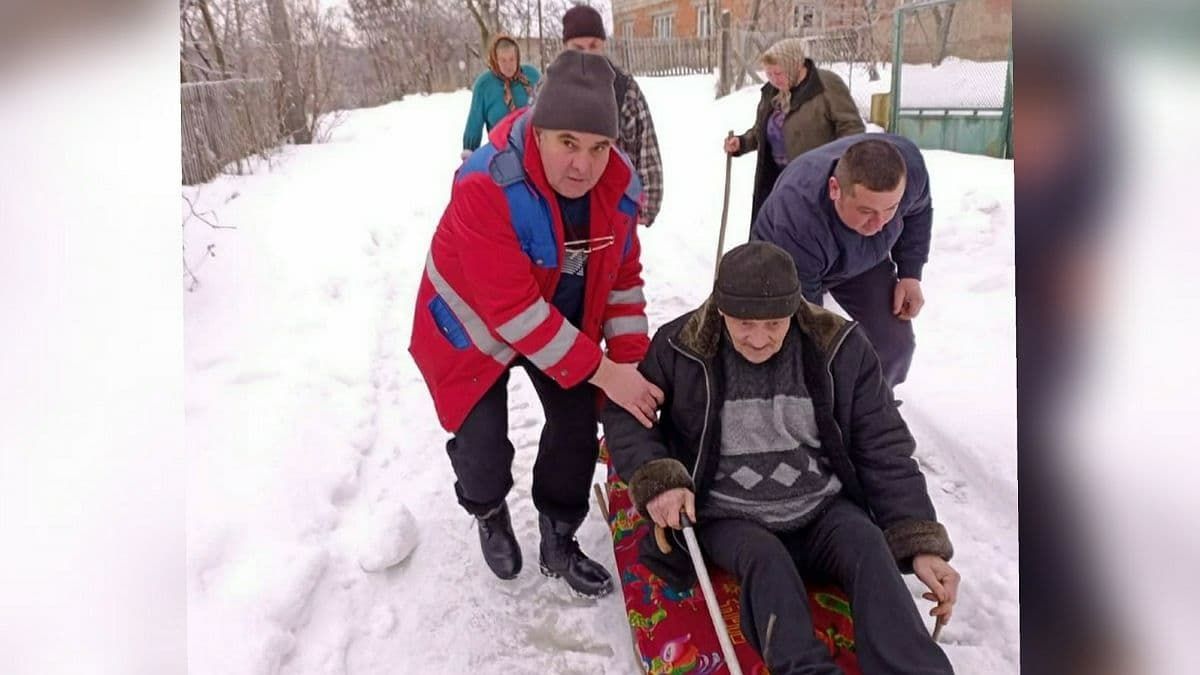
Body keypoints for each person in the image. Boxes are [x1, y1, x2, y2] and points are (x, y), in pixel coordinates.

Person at [602, 241, 960, 674]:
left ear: (795, 308)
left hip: (822, 506)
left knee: (868, 544)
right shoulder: (682, 346)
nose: (759, 338)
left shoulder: (839, 346)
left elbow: (883, 444)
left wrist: (920, 544)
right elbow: (628, 417)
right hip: (727, 511)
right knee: (764, 558)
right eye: (744, 323)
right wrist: (660, 479)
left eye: (774, 323)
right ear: (719, 309)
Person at [410, 50, 663, 599]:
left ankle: (559, 535)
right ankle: (487, 508)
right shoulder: (487, 184)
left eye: (599, 147)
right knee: (482, 452)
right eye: (567, 143)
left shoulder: (616, 187)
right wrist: (605, 370)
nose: (584, 164)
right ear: (537, 130)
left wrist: (628, 365)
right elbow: (513, 313)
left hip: (560, 320)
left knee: (576, 429)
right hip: (474, 328)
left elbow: (623, 279)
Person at [751, 134, 932, 389]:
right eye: (867, 211)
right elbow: (811, 320)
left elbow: (918, 211)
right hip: (789, 261)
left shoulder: (909, 170)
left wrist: (910, 274)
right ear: (835, 189)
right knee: (790, 351)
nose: (881, 225)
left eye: (891, 209)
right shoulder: (798, 217)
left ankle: (872, 406)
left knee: (894, 346)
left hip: (861, 259)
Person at [723, 38, 865, 226]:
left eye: (778, 73)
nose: (773, 79)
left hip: (816, 180)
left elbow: (852, 129)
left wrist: (836, 168)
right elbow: (762, 131)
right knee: (776, 229)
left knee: (807, 232)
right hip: (777, 180)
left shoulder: (825, 85)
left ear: (794, 65)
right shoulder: (773, 93)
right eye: (769, 74)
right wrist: (742, 143)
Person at [557, 4, 664, 226]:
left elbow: (646, 144)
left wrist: (648, 203)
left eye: (593, 46)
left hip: (615, 206)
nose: (586, 54)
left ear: (603, 45)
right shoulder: (549, 89)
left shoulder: (624, 88)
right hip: (560, 209)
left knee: (614, 260)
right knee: (568, 262)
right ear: (565, 47)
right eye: (578, 47)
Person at [461, 34, 540, 156]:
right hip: (501, 153)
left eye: (512, 59)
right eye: (503, 60)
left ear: (518, 57)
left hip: (535, 149)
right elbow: (474, 124)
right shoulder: (484, 85)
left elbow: (549, 108)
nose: (508, 66)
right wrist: (469, 153)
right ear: (495, 60)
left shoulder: (531, 76)